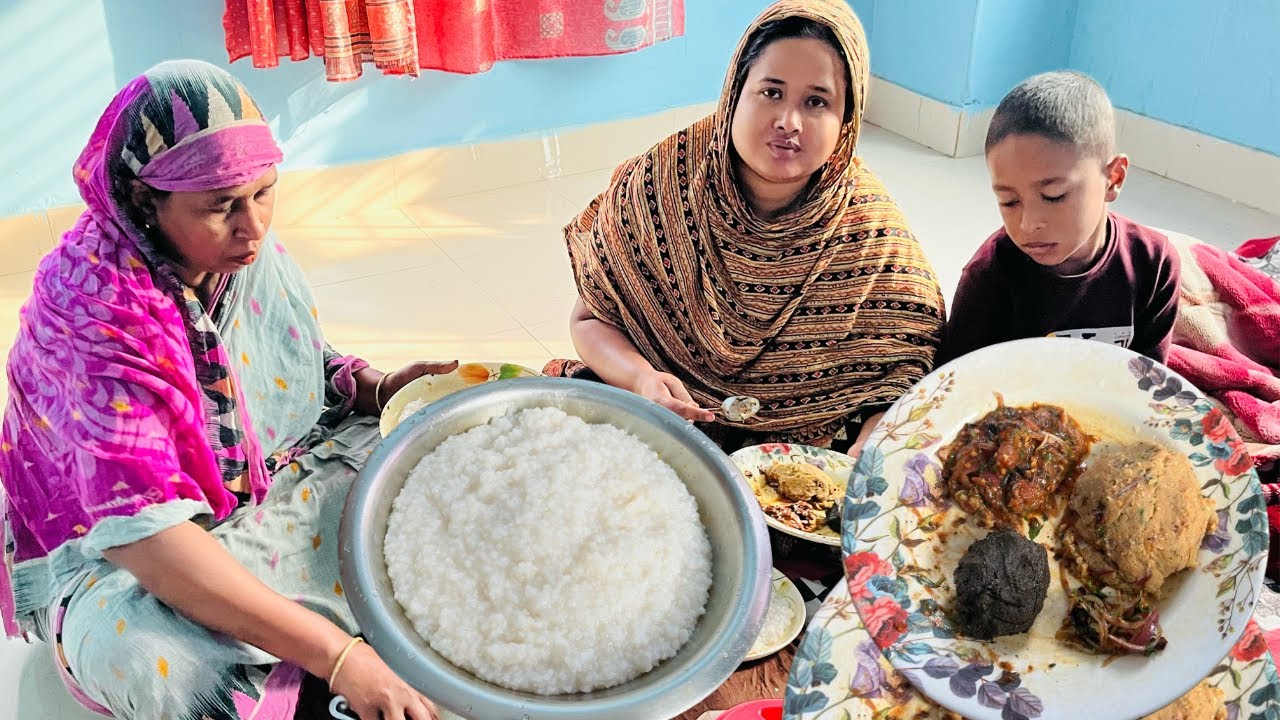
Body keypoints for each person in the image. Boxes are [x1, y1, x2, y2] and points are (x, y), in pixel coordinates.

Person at [0, 60, 449, 720]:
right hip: (128, 554)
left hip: (272, 481)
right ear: (142, 202)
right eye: (220, 207)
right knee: (159, 661)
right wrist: (338, 657)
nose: (254, 227)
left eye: (265, 192)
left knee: (425, 465)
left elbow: (294, 367)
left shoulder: (236, 253)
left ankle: (308, 624)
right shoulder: (94, 320)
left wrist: (376, 389)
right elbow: (149, 543)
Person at [547, 0, 945, 455]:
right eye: (771, 92)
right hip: (662, 413)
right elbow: (589, 319)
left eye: (816, 102)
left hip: (800, 455)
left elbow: (910, 370)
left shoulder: (870, 233)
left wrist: (872, 443)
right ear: (736, 92)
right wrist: (642, 378)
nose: (788, 122)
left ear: (846, 121)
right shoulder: (661, 187)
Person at [939, 70, 1180, 365]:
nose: (1029, 224)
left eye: (1054, 196)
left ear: (1113, 178)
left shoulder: (1153, 263)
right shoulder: (988, 277)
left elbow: (1148, 384)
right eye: (1009, 201)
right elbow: (960, 386)